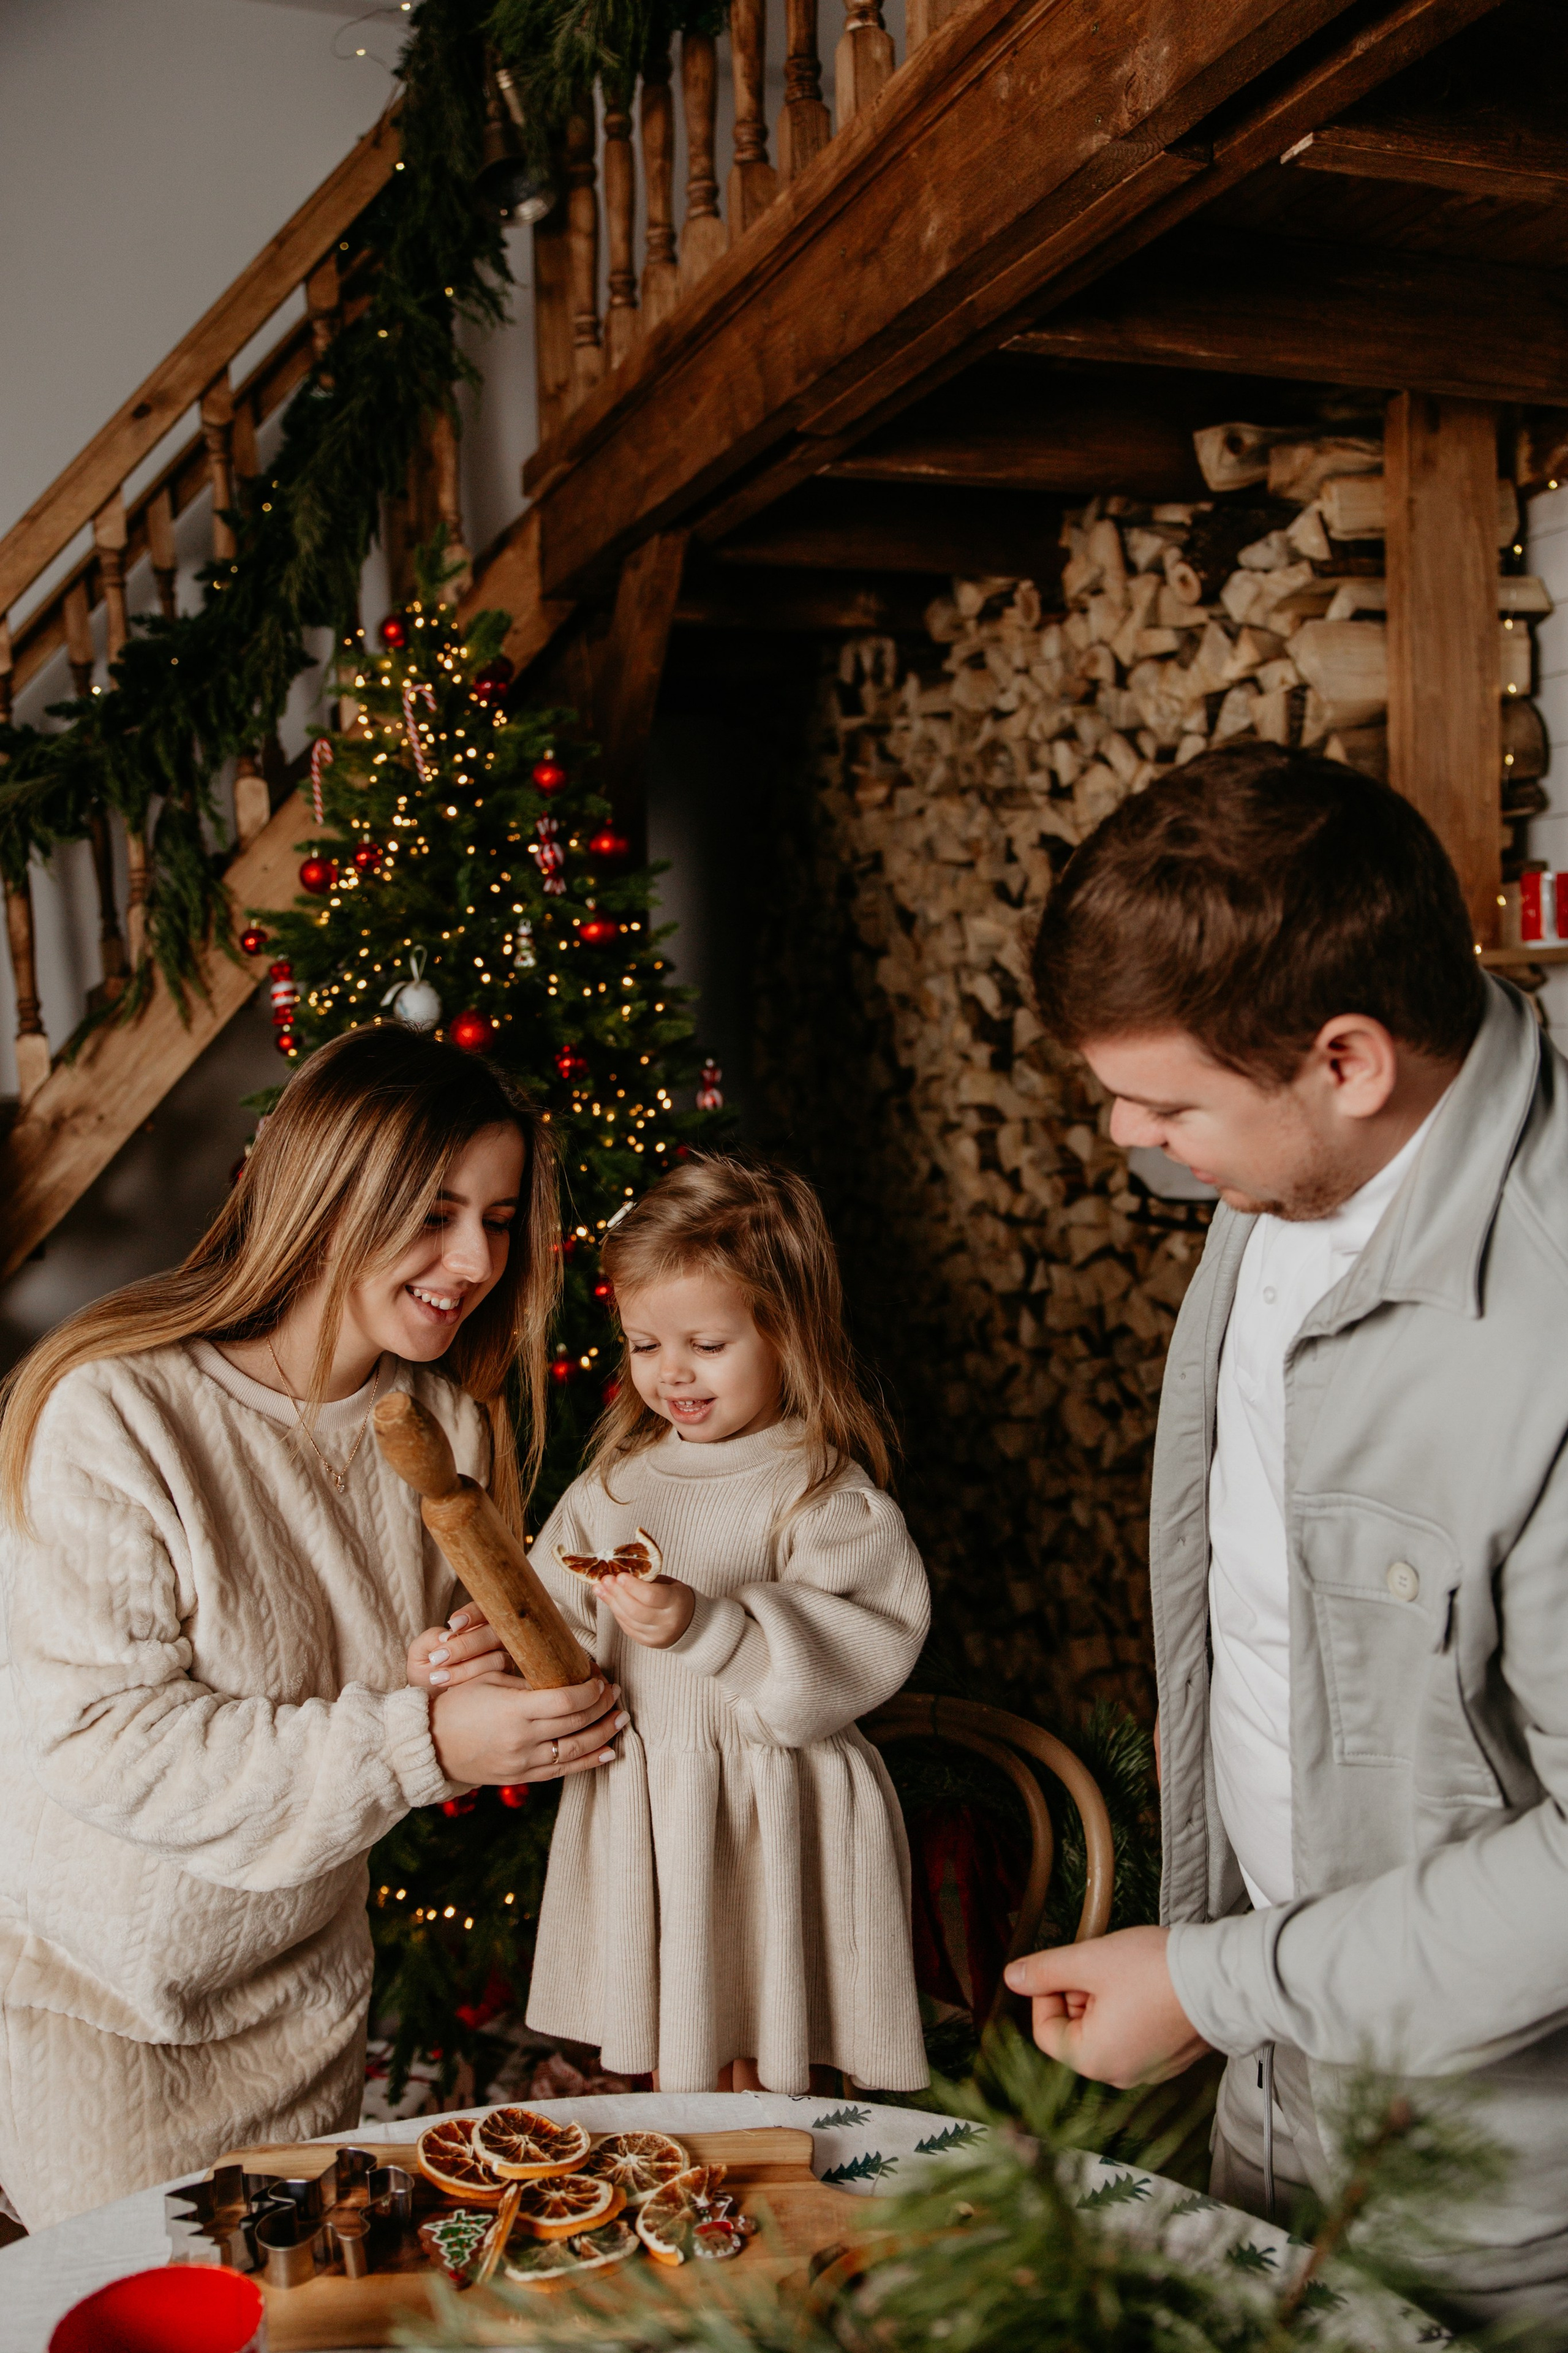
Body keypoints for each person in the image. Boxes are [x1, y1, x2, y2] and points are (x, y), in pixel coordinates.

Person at [1009, 741, 1568, 2330]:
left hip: (1502, 2195)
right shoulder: (1292, 1174)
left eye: (1165, 1101)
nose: (1126, 1136)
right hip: (1267, 2109)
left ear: (1349, 1059)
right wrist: (1227, 1998)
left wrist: (1205, 1981)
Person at [0, 1026, 624, 2228]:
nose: (472, 1260)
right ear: (329, 1195)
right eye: (435, 1213)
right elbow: (103, 1742)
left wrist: (453, 1670)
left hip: (307, 2000)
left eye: (497, 1220)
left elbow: (409, 1677)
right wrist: (423, 1736)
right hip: (98, 2007)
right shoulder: (121, 1410)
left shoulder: (449, 1424)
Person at [412, 1154, 930, 2095]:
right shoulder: (613, 1486)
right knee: (682, 2052)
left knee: (783, 2060)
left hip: (778, 1811)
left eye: (707, 1344)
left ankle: (784, 2194)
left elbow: (866, 1642)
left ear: (789, 1335)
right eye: (645, 1345)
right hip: (658, 1810)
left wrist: (706, 1623)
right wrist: (483, 1647)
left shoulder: (819, 1491)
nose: (672, 1373)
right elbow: (544, 1614)